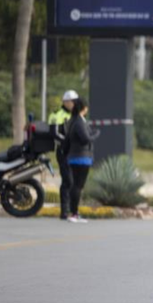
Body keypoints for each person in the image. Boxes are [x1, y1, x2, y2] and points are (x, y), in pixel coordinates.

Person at [65, 98, 99, 224]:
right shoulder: (79, 121)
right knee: (78, 186)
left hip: (75, 156)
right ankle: (74, 213)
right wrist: (96, 135)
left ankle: (73, 212)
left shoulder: (73, 120)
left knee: (76, 185)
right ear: (83, 108)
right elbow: (85, 139)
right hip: (81, 157)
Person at [48, 90, 77, 220]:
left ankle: (73, 210)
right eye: (72, 101)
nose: (74, 104)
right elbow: (54, 134)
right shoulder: (56, 115)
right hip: (63, 151)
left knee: (74, 181)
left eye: (75, 101)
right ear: (65, 102)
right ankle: (64, 211)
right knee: (67, 181)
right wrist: (68, 142)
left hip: (75, 152)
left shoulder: (77, 115)